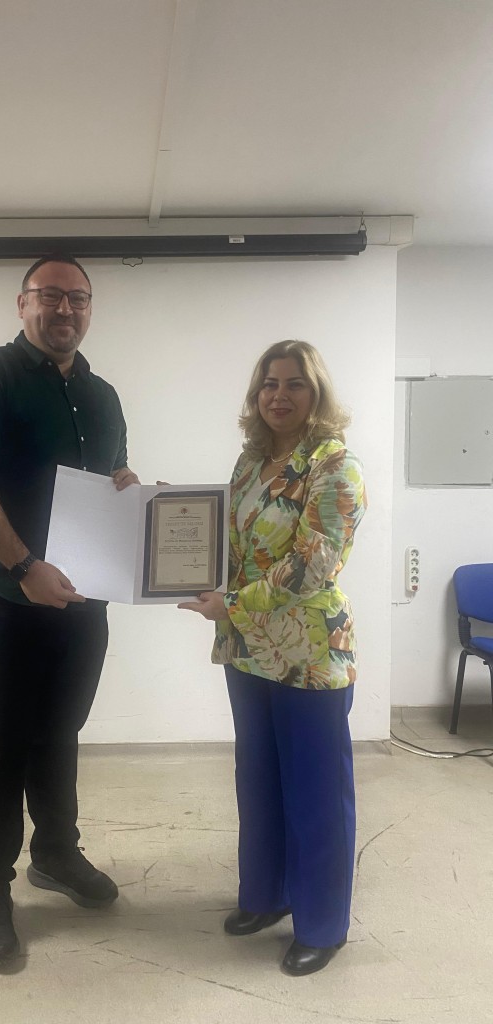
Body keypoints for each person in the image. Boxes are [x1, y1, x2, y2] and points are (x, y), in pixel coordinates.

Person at [0, 255, 139, 968]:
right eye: (50, 296)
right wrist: (25, 567)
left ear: (90, 309)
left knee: (59, 731)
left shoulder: (103, 396)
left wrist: (126, 488)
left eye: (78, 298)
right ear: (22, 303)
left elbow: (108, 480)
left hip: (81, 596)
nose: (65, 310)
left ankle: (55, 853)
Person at [179, 340, 366, 977]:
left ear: (317, 394)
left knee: (315, 791)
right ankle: (267, 895)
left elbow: (315, 565)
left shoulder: (335, 464)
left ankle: (322, 924)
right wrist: (161, 514)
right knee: (258, 780)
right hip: (247, 648)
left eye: (294, 384)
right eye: (268, 384)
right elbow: (225, 540)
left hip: (308, 651)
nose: (278, 396)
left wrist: (231, 602)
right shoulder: (252, 461)